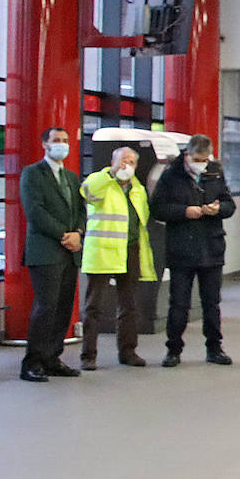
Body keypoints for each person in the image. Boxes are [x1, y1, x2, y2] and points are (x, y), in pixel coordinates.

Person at [150, 134, 236, 367]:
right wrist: (185, 211)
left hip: (212, 247)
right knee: (179, 303)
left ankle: (214, 348)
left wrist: (217, 209)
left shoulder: (215, 172)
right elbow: (157, 208)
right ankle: (173, 349)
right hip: (182, 249)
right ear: (187, 155)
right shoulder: (171, 175)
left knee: (212, 303)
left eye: (206, 158)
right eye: (198, 159)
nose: (202, 163)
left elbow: (229, 204)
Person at [18, 127, 87, 382]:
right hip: (46, 251)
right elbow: (35, 213)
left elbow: (81, 210)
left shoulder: (71, 177)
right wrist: (64, 236)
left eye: (65, 141)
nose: (62, 145)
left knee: (63, 308)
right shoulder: (33, 174)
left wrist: (79, 232)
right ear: (45, 145)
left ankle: (52, 358)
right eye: (56, 140)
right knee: (45, 307)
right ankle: (32, 362)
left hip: (70, 253)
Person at [79, 146, 157, 370]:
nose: (127, 165)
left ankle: (128, 351)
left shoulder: (137, 189)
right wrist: (112, 173)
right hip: (103, 251)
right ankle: (88, 355)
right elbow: (87, 193)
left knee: (129, 305)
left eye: (132, 162)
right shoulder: (100, 181)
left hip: (130, 250)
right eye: (123, 160)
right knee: (94, 306)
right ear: (113, 162)